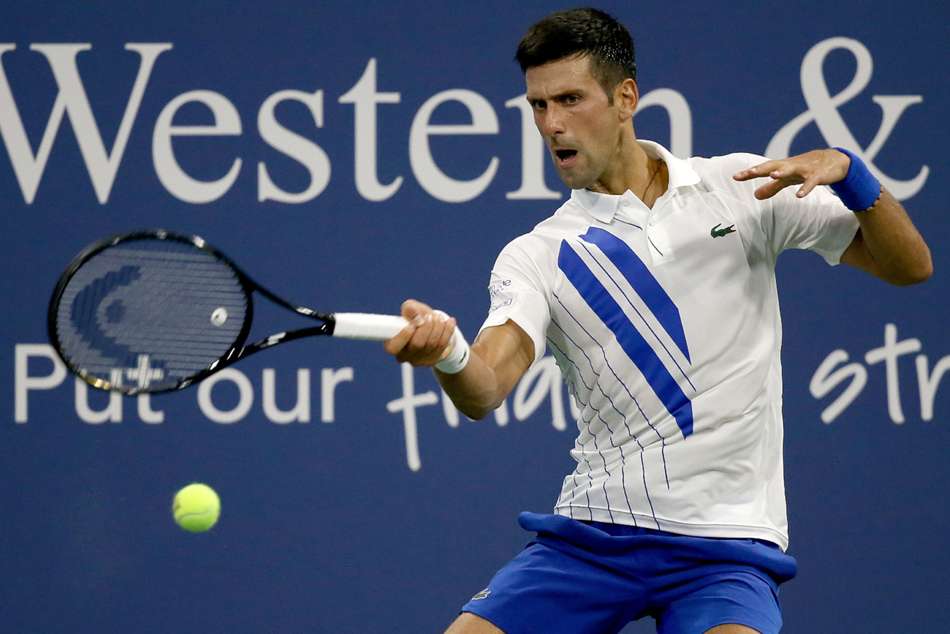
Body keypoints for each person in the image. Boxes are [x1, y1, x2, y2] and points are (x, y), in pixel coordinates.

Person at [384, 8, 932, 634]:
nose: (551, 124)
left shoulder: (740, 189)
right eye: (537, 105)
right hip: (593, 538)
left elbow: (909, 266)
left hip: (725, 549)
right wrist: (449, 354)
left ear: (625, 98)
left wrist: (853, 175)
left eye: (570, 99)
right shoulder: (538, 253)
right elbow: (484, 389)